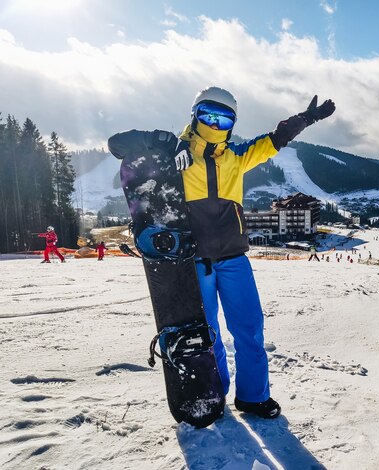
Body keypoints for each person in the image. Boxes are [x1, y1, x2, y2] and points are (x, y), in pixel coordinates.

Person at [108, 87, 335, 419]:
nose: (214, 123)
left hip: (234, 259)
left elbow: (276, 138)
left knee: (249, 329)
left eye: (223, 117)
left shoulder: (237, 156)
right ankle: (214, 392)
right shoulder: (174, 153)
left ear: (232, 123)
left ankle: (253, 397)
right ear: (195, 114)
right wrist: (162, 141)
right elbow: (117, 144)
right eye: (208, 115)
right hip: (194, 263)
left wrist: (307, 118)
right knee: (207, 333)